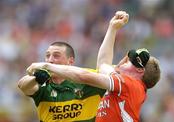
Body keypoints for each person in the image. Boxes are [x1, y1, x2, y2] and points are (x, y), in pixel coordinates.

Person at [26, 11, 161, 122]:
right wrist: (112, 28)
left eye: (130, 61)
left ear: (139, 70)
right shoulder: (123, 83)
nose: (124, 60)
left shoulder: (130, 85)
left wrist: (47, 66)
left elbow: (83, 76)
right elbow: (103, 65)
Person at [18, 42, 106, 122]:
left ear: (70, 61)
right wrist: (36, 78)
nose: (50, 60)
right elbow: (22, 85)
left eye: (56, 56)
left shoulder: (86, 80)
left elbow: (104, 70)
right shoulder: (44, 85)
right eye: (48, 56)